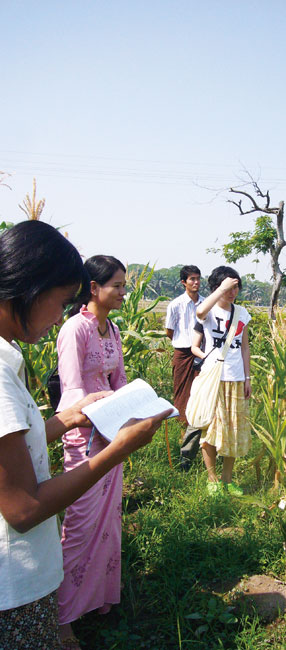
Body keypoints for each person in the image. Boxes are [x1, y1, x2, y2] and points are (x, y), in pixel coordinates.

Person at [0, 221, 171, 650]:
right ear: (28, 289)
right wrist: (117, 450)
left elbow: (14, 444)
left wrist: (64, 419)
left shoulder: (11, 353)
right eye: (59, 301)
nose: (61, 315)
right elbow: (23, 509)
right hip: (13, 585)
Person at [55, 256, 129, 645]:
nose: (122, 292)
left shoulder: (111, 329)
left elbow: (119, 380)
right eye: (116, 285)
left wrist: (137, 406)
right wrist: (100, 414)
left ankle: (97, 599)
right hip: (85, 436)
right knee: (81, 526)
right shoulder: (74, 329)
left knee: (109, 522)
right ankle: (60, 614)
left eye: (123, 285)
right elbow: (71, 393)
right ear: (93, 287)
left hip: (112, 433)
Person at [191, 266, 251, 496]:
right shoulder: (208, 310)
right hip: (214, 378)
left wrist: (247, 377)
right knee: (211, 428)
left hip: (236, 378)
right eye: (228, 287)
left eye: (236, 287)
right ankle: (212, 479)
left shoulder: (242, 314)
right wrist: (221, 289)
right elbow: (199, 313)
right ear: (217, 287)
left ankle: (227, 480)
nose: (232, 292)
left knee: (234, 430)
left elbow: (245, 347)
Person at [165, 265, 204, 470]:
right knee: (182, 394)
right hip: (182, 353)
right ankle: (183, 439)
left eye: (198, 278)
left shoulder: (207, 304)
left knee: (199, 394)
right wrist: (185, 344)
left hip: (202, 353)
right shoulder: (176, 305)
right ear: (183, 282)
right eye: (192, 279)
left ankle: (200, 441)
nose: (196, 282)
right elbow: (170, 331)